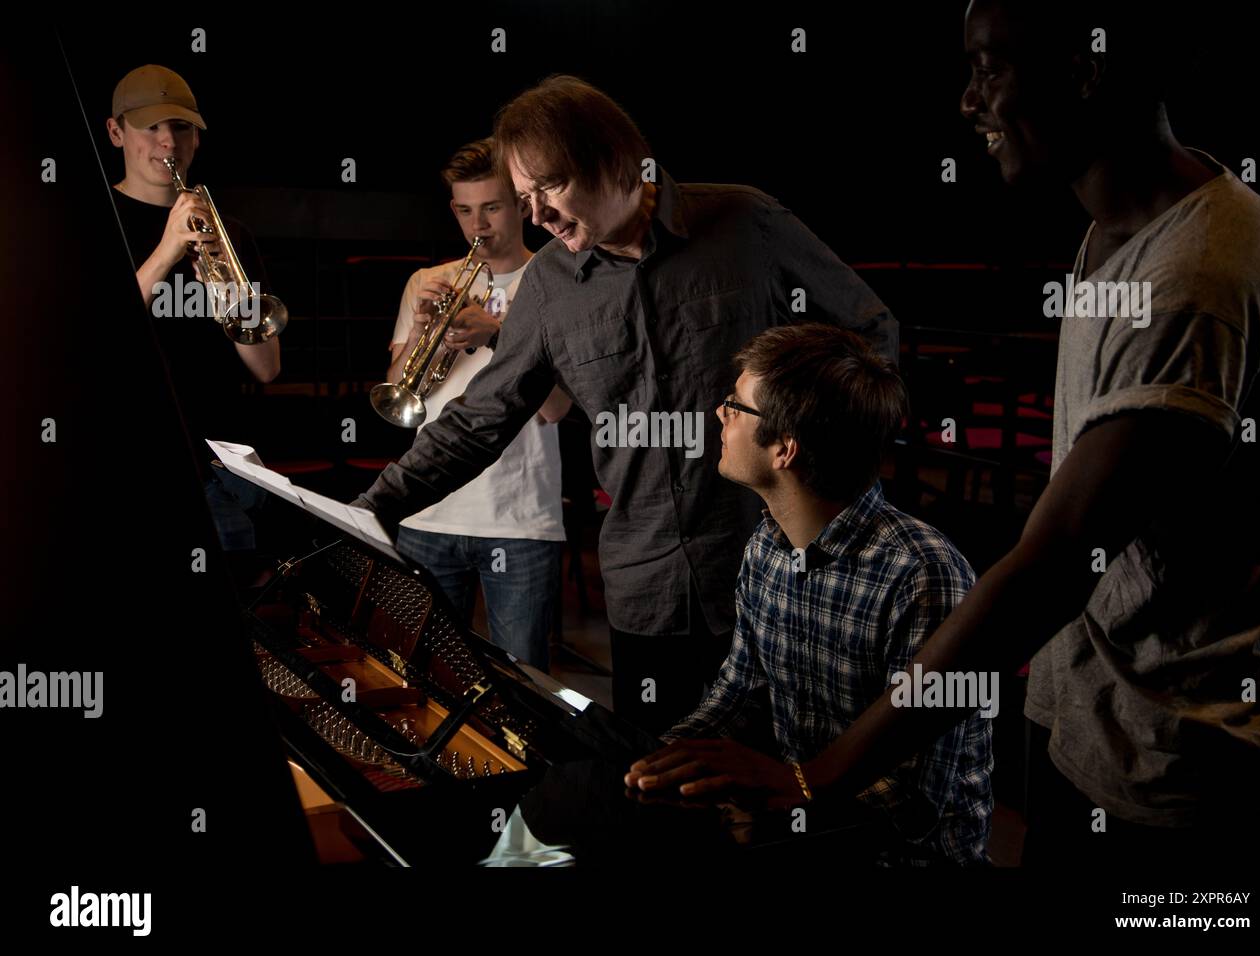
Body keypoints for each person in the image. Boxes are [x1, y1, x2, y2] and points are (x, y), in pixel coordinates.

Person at [629, 0, 1260, 866]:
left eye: (989, 67)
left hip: (1185, 767)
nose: (966, 101)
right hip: (1101, 728)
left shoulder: (1203, 271)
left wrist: (814, 777)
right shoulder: (1118, 233)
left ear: (1085, 69)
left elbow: (1055, 560)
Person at [355, 76, 899, 734]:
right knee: (664, 789)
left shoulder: (745, 220)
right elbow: (478, 422)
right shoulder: (551, 282)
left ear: (612, 159)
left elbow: (872, 334)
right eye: (524, 200)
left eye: (547, 189)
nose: (536, 218)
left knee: (786, 789)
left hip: (784, 576)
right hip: (646, 591)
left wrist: (805, 450)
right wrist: (367, 510)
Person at [630, 324, 992, 864]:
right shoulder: (767, 543)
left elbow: (913, 801)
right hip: (803, 826)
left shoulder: (923, 575)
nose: (719, 414)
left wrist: (776, 814)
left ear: (785, 448)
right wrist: (660, 760)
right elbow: (739, 691)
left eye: (736, 406)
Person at [386, 138, 572, 670]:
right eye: (466, 211)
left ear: (520, 203)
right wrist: (422, 330)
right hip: (426, 513)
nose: (478, 225)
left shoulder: (556, 281)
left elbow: (556, 407)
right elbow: (400, 391)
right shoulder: (426, 282)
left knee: (523, 686)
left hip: (519, 519)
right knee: (421, 677)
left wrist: (496, 332)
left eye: (491, 207)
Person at [106, 64, 279, 564]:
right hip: (132, 462)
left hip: (226, 464)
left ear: (197, 140)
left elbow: (267, 367)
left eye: (180, 127)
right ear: (116, 132)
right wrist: (165, 251)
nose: (168, 142)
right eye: (150, 127)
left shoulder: (232, 233)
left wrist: (229, 299)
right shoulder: (94, 222)